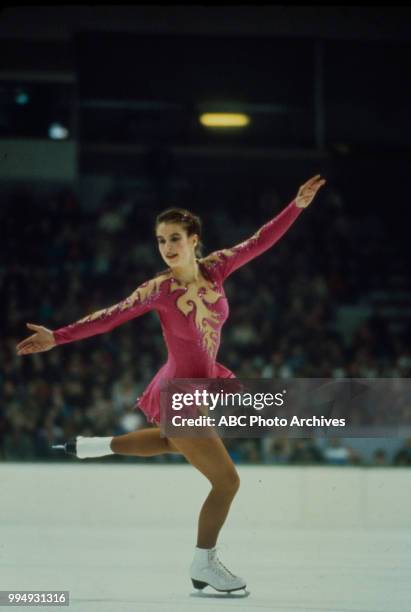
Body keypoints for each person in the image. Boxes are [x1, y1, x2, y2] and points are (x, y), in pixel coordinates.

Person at [16, 174, 326, 593]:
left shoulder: (217, 267)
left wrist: (297, 206)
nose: (167, 247)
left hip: (200, 381)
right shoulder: (158, 289)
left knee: (169, 443)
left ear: (193, 238)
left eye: (175, 238)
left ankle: (96, 445)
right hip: (181, 390)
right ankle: (204, 563)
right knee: (227, 481)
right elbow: (110, 316)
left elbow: (259, 241)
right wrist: (58, 336)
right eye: (161, 240)